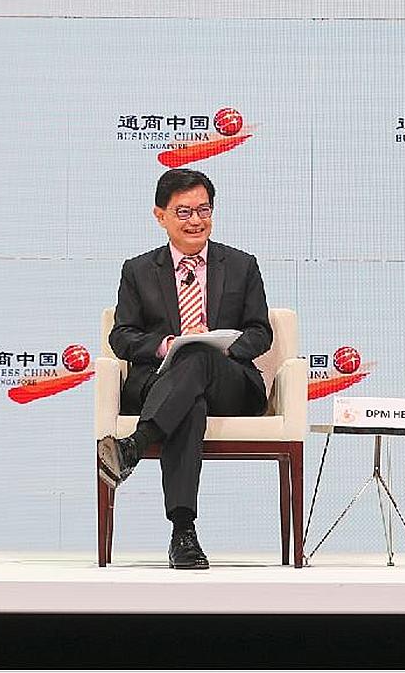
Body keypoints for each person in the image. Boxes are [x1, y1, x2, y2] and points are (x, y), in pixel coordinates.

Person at [96, 168, 273, 570]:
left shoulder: (242, 265)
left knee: (199, 356)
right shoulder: (139, 270)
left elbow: (261, 332)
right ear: (160, 216)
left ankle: (133, 447)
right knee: (187, 399)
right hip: (161, 382)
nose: (196, 221)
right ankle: (183, 534)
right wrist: (166, 345)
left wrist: (222, 348)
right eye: (184, 212)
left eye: (204, 210)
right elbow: (121, 336)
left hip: (230, 383)